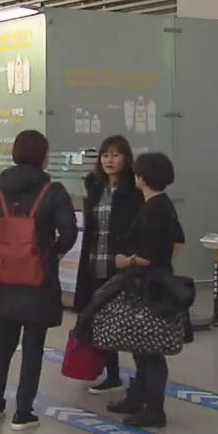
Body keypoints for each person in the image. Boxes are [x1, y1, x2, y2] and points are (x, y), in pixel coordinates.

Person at [0, 129, 78, 431]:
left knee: (4, 346)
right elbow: (69, 232)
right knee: (33, 347)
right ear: (43, 157)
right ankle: (23, 413)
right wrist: (52, 254)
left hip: (4, 280)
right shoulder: (54, 192)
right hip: (39, 280)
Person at [107, 152, 184, 428]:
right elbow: (178, 242)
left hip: (149, 285)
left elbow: (149, 255)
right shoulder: (162, 205)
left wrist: (124, 261)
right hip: (156, 282)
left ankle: (154, 408)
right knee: (142, 345)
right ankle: (138, 395)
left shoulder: (153, 209)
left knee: (150, 348)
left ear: (142, 177)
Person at [74, 135, 144, 395]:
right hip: (95, 263)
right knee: (102, 320)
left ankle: (142, 379)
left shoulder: (134, 191)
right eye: (105, 155)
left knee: (131, 322)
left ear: (126, 158)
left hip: (122, 265)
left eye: (115, 155)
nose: (109, 160)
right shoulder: (95, 188)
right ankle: (112, 374)